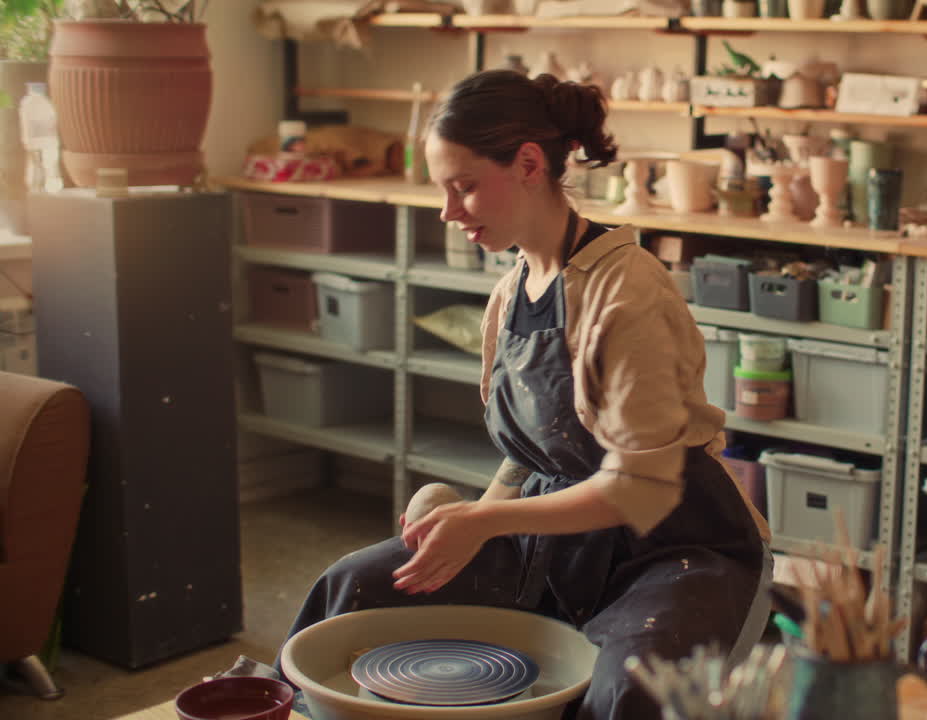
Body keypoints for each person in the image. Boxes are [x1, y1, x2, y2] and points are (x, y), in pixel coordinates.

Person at [275, 69, 772, 719]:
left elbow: (638, 487)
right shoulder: (512, 290)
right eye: (443, 191)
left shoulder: (629, 291)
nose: (449, 213)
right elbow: (539, 447)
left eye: (465, 188)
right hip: (558, 534)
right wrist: (459, 520)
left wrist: (484, 522)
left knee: (626, 692)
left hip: (674, 544)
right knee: (354, 585)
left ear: (530, 165)